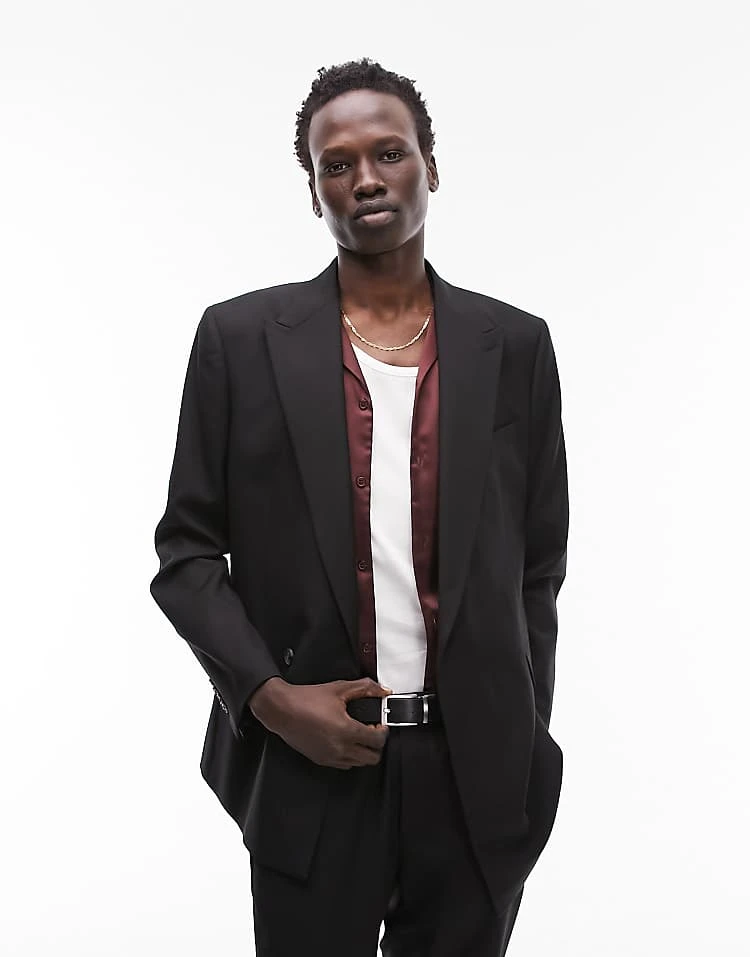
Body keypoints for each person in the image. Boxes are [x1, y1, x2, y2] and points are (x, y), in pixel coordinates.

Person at [150, 57, 569, 957]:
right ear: (314, 193)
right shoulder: (240, 340)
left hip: (476, 778)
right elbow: (186, 557)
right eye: (335, 165)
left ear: (430, 166)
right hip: (312, 762)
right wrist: (269, 699)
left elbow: (538, 568)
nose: (365, 179)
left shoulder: (514, 346)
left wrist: (523, 735)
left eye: (389, 153)